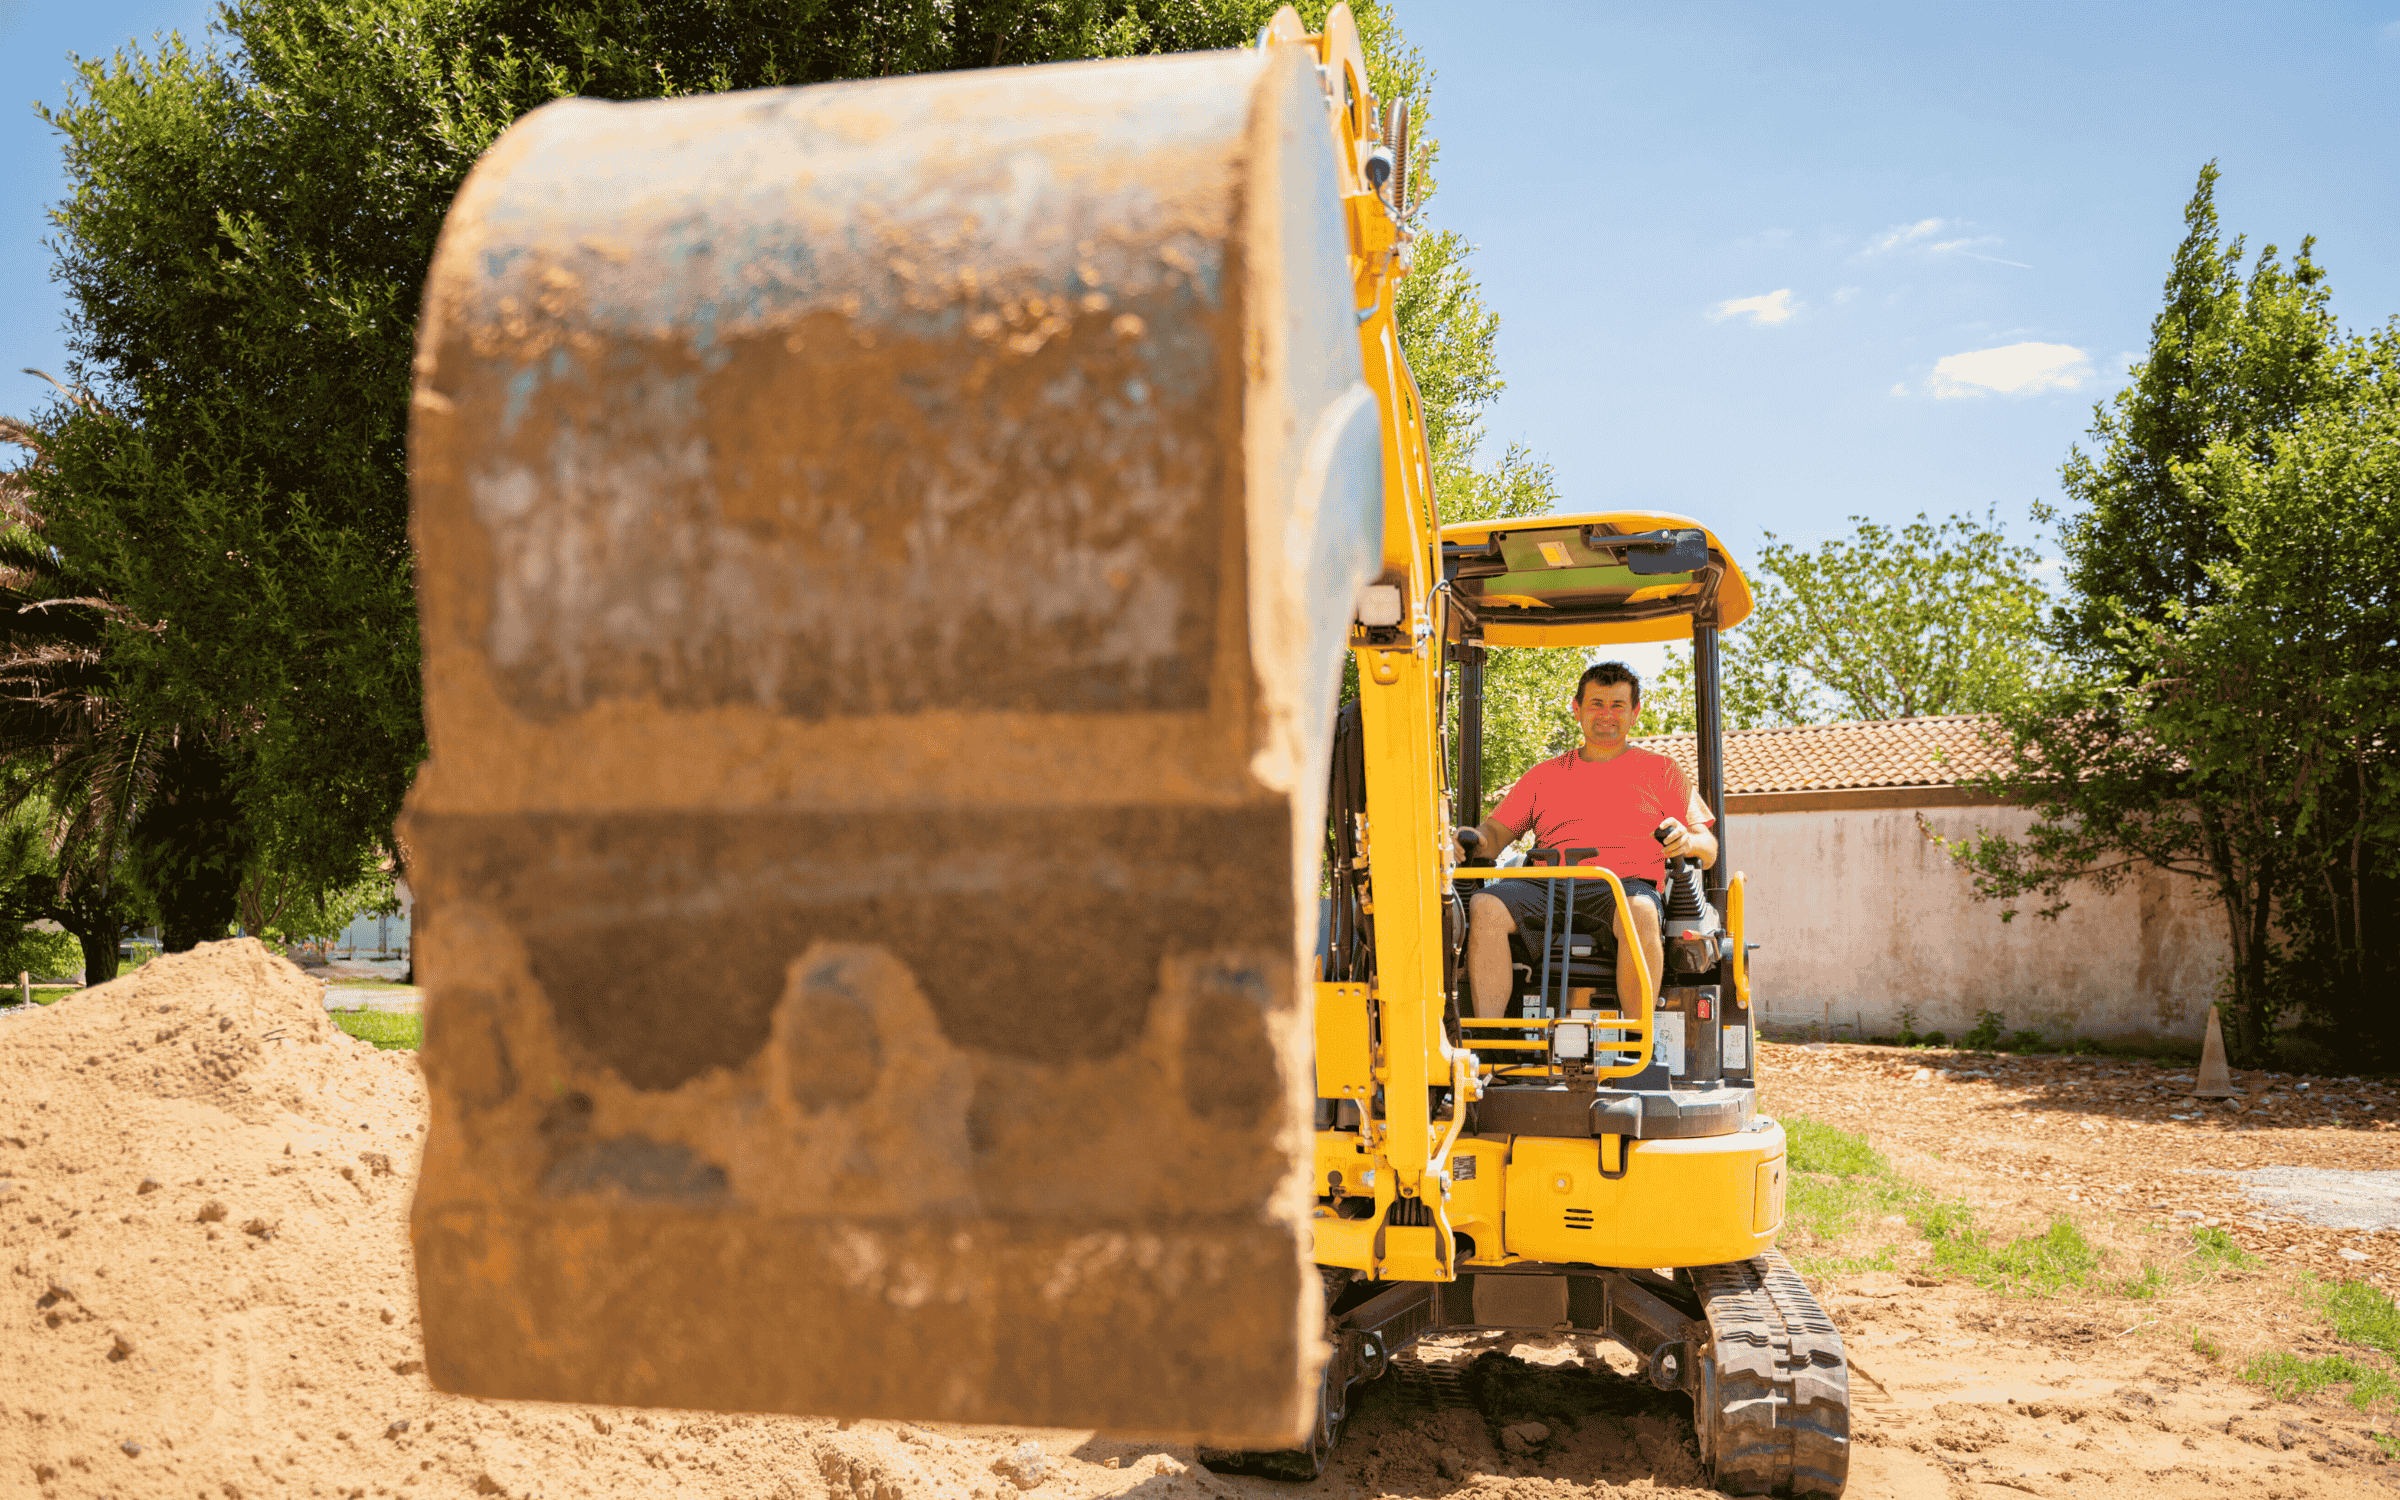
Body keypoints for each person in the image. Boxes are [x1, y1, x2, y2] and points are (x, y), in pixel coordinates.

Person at [1452, 661, 1717, 1019]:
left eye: (1617, 705)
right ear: (1577, 709)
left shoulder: (1662, 772)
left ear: (1635, 713)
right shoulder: (1544, 775)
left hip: (1624, 887)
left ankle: (1637, 1046)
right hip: (1547, 885)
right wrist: (1474, 839)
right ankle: (1489, 1047)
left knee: (1640, 910)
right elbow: (1496, 834)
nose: (1606, 714)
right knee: (1486, 904)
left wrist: (1688, 841)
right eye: (1596, 704)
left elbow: (1708, 846)